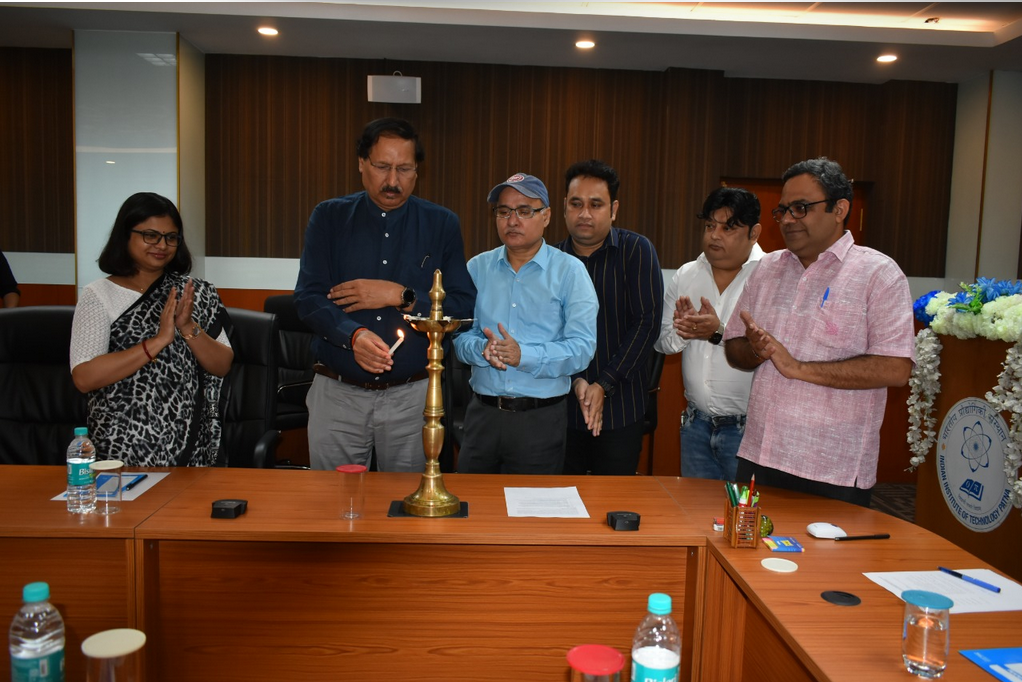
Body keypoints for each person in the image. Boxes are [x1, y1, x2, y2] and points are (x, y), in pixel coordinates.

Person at [723, 157, 915, 505]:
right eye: (783, 210)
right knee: (747, 539)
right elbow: (734, 347)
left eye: (801, 208)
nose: (788, 220)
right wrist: (756, 350)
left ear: (839, 209)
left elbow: (896, 368)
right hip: (761, 455)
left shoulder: (879, 274)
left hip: (834, 467)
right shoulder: (766, 269)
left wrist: (798, 367)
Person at [295, 118, 475, 473]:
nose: (393, 181)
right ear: (361, 163)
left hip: (413, 398)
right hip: (338, 394)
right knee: (334, 502)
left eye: (404, 169)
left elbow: (462, 308)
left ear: (417, 171)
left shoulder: (441, 224)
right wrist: (353, 336)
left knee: (409, 502)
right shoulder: (329, 217)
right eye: (382, 167)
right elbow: (308, 298)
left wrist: (401, 295)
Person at [70, 192, 233, 466]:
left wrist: (187, 327)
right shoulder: (98, 295)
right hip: (121, 444)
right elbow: (84, 377)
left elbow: (222, 365)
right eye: (151, 235)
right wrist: (157, 342)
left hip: (190, 443)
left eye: (171, 237)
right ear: (126, 235)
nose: (162, 245)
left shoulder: (196, 292)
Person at [453, 173, 598, 474]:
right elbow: (459, 336)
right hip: (482, 415)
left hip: (539, 420)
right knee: (471, 501)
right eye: (503, 211)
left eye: (524, 211)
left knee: (532, 504)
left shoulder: (570, 272)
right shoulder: (477, 268)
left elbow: (582, 348)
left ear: (546, 216)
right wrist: (481, 349)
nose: (512, 220)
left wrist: (524, 356)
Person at [554, 160, 663, 475]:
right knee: (561, 498)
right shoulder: (550, 260)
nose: (585, 214)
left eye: (596, 204)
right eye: (576, 204)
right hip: (561, 407)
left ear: (613, 209)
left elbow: (646, 324)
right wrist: (577, 379)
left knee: (613, 499)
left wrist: (604, 383)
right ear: (564, 207)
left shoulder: (637, 250)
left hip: (621, 409)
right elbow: (546, 331)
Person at [655, 187, 765, 481]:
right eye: (709, 226)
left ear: (754, 233)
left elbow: (770, 349)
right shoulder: (687, 274)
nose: (714, 236)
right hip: (696, 425)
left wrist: (717, 331)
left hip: (749, 429)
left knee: (745, 509)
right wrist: (684, 331)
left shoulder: (770, 275)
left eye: (728, 228)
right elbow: (663, 343)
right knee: (695, 508)